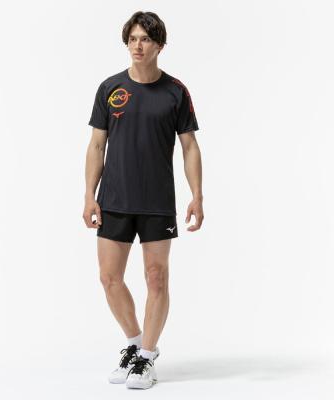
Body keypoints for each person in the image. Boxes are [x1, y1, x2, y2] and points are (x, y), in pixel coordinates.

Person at [83, 11, 204, 390]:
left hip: (156, 202)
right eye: (133, 39)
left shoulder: (175, 91)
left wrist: (197, 195)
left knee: (156, 277)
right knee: (109, 278)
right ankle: (135, 344)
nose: (138, 45)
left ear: (159, 46)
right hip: (114, 199)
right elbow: (97, 145)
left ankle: (148, 357)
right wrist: (89, 195)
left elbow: (189, 146)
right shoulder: (110, 88)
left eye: (146, 39)